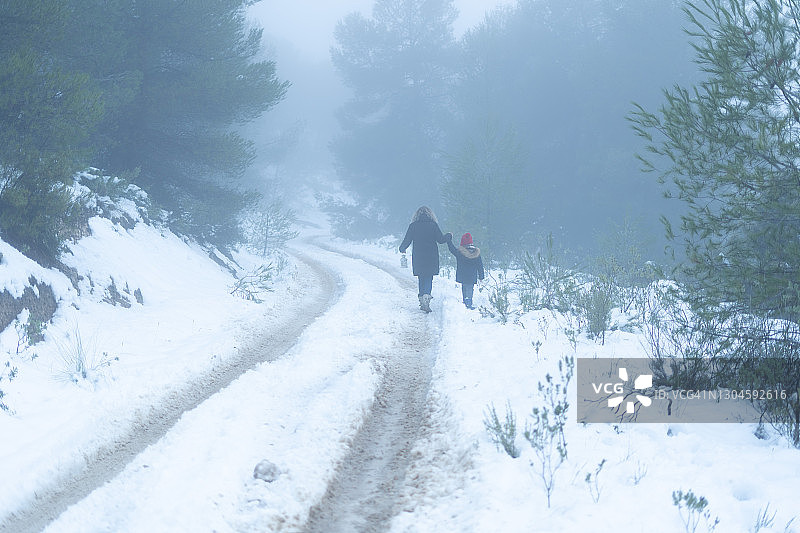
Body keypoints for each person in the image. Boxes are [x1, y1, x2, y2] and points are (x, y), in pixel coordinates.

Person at [399, 206, 450, 312]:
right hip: (431, 256)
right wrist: (449, 236)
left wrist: (402, 248)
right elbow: (440, 240)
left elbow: (407, 240)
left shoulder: (413, 226)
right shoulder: (433, 225)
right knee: (428, 277)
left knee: (421, 277)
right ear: (431, 215)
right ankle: (427, 296)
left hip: (418, 256)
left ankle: (422, 298)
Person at [446, 232, 485, 309]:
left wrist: (449, 240)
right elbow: (480, 266)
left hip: (463, 275)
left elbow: (452, 249)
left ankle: (465, 302)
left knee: (464, 288)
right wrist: (481, 276)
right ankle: (469, 302)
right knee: (470, 288)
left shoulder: (460, 253)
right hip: (472, 276)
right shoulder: (476, 253)